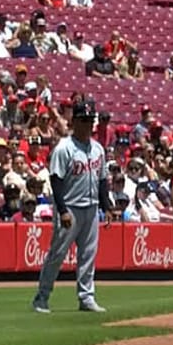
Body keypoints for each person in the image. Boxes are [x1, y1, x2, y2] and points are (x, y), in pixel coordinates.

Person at [32, 99, 112, 314]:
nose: (87, 124)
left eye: (90, 120)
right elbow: (56, 181)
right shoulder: (64, 148)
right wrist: (63, 210)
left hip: (91, 208)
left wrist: (108, 206)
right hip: (71, 209)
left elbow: (102, 179)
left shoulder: (98, 149)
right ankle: (42, 297)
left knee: (88, 255)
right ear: (74, 121)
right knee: (57, 254)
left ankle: (86, 297)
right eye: (83, 120)